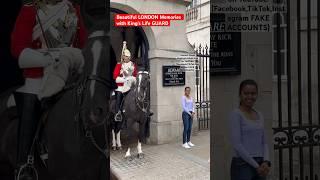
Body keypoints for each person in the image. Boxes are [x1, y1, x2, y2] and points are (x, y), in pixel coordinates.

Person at [11, 0, 87, 179]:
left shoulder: (74, 10)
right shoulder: (30, 9)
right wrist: (49, 59)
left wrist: (74, 59)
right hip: (39, 74)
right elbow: (18, 47)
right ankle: (24, 164)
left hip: (70, 73)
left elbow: (84, 44)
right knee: (32, 97)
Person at [229, 79, 271, 180]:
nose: (250, 97)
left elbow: (264, 142)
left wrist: (266, 161)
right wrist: (256, 166)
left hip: (260, 163)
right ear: (240, 95)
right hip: (242, 164)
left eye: (253, 93)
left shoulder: (259, 115)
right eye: (246, 93)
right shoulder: (236, 114)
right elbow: (237, 145)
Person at [113, 41, 137, 121]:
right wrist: (123, 77)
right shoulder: (119, 65)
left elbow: (135, 75)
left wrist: (130, 78)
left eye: (127, 57)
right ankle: (118, 113)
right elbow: (115, 76)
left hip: (130, 85)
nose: (125, 58)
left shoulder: (132, 65)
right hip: (121, 85)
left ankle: (143, 109)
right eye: (124, 56)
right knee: (119, 94)